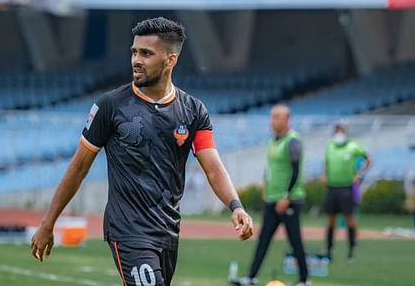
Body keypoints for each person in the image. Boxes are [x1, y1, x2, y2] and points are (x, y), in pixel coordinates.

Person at [30, 17, 254, 286]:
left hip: (168, 231)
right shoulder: (110, 106)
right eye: (134, 52)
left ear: (171, 60)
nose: (136, 59)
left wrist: (236, 206)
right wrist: (48, 222)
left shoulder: (194, 111)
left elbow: (213, 167)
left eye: (146, 53)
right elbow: (79, 167)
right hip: (127, 229)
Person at [233, 104, 310, 286]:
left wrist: (287, 196)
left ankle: (304, 280)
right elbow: (269, 169)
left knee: (295, 240)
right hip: (272, 199)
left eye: (277, 116)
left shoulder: (293, 141)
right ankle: (250, 277)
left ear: (287, 119)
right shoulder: (272, 141)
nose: (272, 120)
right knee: (263, 239)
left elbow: (296, 170)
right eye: (271, 116)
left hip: (288, 200)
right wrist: (266, 187)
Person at [322, 124, 371, 263]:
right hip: (332, 188)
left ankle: (351, 252)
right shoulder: (330, 146)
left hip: (346, 188)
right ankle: (329, 251)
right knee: (331, 221)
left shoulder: (353, 146)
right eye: (336, 133)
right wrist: (324, 175)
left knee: (349, 219)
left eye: (341, 132)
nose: (339, 135)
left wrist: (359, 174)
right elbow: (326, 163)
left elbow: (368, 159)